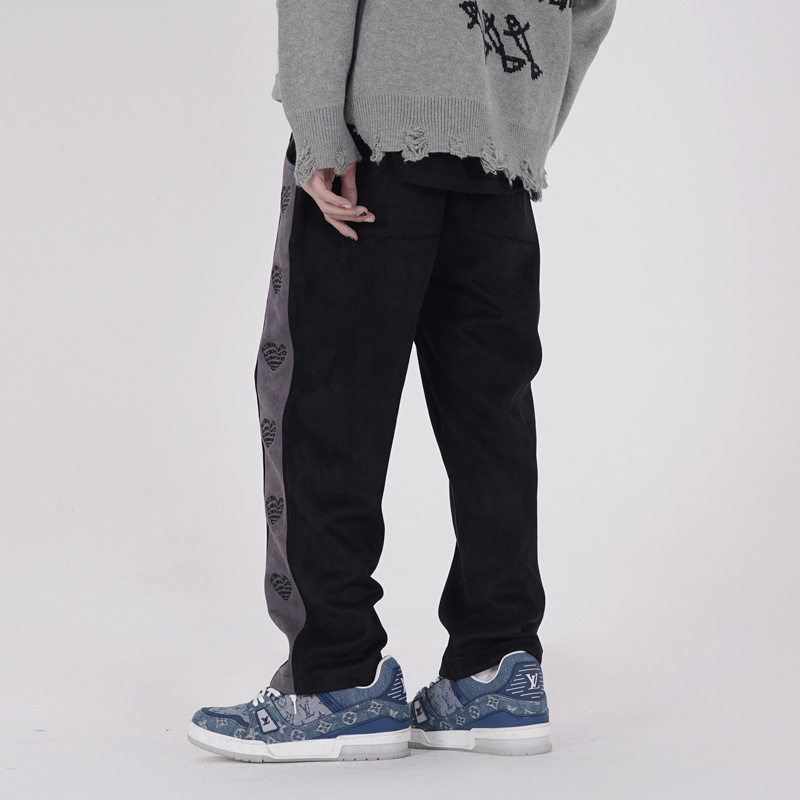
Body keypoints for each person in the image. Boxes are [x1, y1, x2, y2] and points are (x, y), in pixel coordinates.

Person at [188, 0, 616, 762]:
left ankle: (336, 679)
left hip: (371, 151)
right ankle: (497, 670)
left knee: (326, 408)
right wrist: (517, 122)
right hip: (498, 166)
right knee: (491, 423)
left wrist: (320, 127)